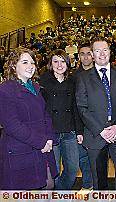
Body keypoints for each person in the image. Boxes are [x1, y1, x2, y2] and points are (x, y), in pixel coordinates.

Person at [76, 38, 116, 190]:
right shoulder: (82, 77)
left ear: (110, 51)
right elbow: (82, 108)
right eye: (97, 50)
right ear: (92, 55)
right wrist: (101, 130)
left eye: (105, 50)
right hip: (96, 135)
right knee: (99, 179)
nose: (101, 54)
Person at [0, 47, 57, 190]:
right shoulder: (6, 89)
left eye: (32, 63)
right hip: (21, 150)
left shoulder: (36, 87)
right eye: (25, 62)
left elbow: (46, 116)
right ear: (13, 65)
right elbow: (12, 125)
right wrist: (41, 142)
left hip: (41, 148)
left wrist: (49, 138)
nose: (30, 66)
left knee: (48, 185)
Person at [39, 49, 82, 190]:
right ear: (50, 64)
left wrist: (79, 131)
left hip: (69, 131)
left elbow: (76, 107)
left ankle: (61, 192)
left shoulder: (73, 80)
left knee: (73, 168)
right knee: (54, 170)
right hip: (51, 132)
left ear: (67, 63)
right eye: (55, 61)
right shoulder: (43, 80)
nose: (59, 65)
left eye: (62, 61)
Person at [73, 42, 94, 190]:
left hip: (99, 123)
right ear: (78, 56)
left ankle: (99, 185)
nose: (86, 57)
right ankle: (88, 185)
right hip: (80, 123)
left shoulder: (103, 73)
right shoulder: (73, 77)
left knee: (99, 158)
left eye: (89, 53)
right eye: (82, 54)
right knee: (83, 157)